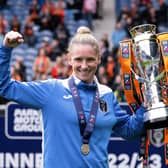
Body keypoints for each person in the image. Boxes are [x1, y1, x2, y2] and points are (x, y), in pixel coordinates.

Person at [0, 27, 146, 168]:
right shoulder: (52, 90)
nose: (84, 66)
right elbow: (5, 87)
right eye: (78, 59)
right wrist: (6, 49)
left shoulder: (106, 94)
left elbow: (129, 130)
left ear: (99, 59)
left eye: (90, 59)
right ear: (69, 59)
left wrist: (147, 104)